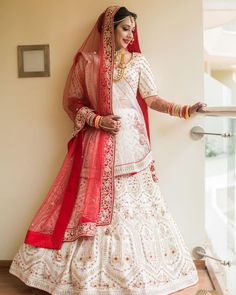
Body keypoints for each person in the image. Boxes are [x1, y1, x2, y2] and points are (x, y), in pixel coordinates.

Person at [10, 6, 206, 295]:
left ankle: (136, 271)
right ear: (108, 28)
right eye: (125, 28)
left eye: (132, 29)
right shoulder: (87, 62)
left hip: (133, 147)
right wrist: (98, 120)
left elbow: (152, 100)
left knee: (134, 209)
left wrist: (185, 110)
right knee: (90, 205)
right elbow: (73, 102)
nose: (130, 34)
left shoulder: (139, 62)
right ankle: (90, 274)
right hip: (97, 143)